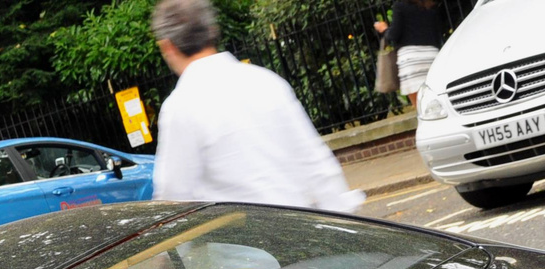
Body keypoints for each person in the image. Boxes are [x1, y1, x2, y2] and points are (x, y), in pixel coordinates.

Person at [150, 0, 365, 213]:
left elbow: (174, 195)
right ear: (212, 31)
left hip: (237, 241)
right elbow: (315, 162)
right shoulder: (267, 82)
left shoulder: (181, 106)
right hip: (297, 228)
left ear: (167, 46)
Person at [375, 0, 445, 109]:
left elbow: (393, 35)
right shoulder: (431, 5)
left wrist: (384, 29)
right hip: (432, 57)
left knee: (421, 108)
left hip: (411, 60)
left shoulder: (400, 5)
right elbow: (438, 34)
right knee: (440, 102)